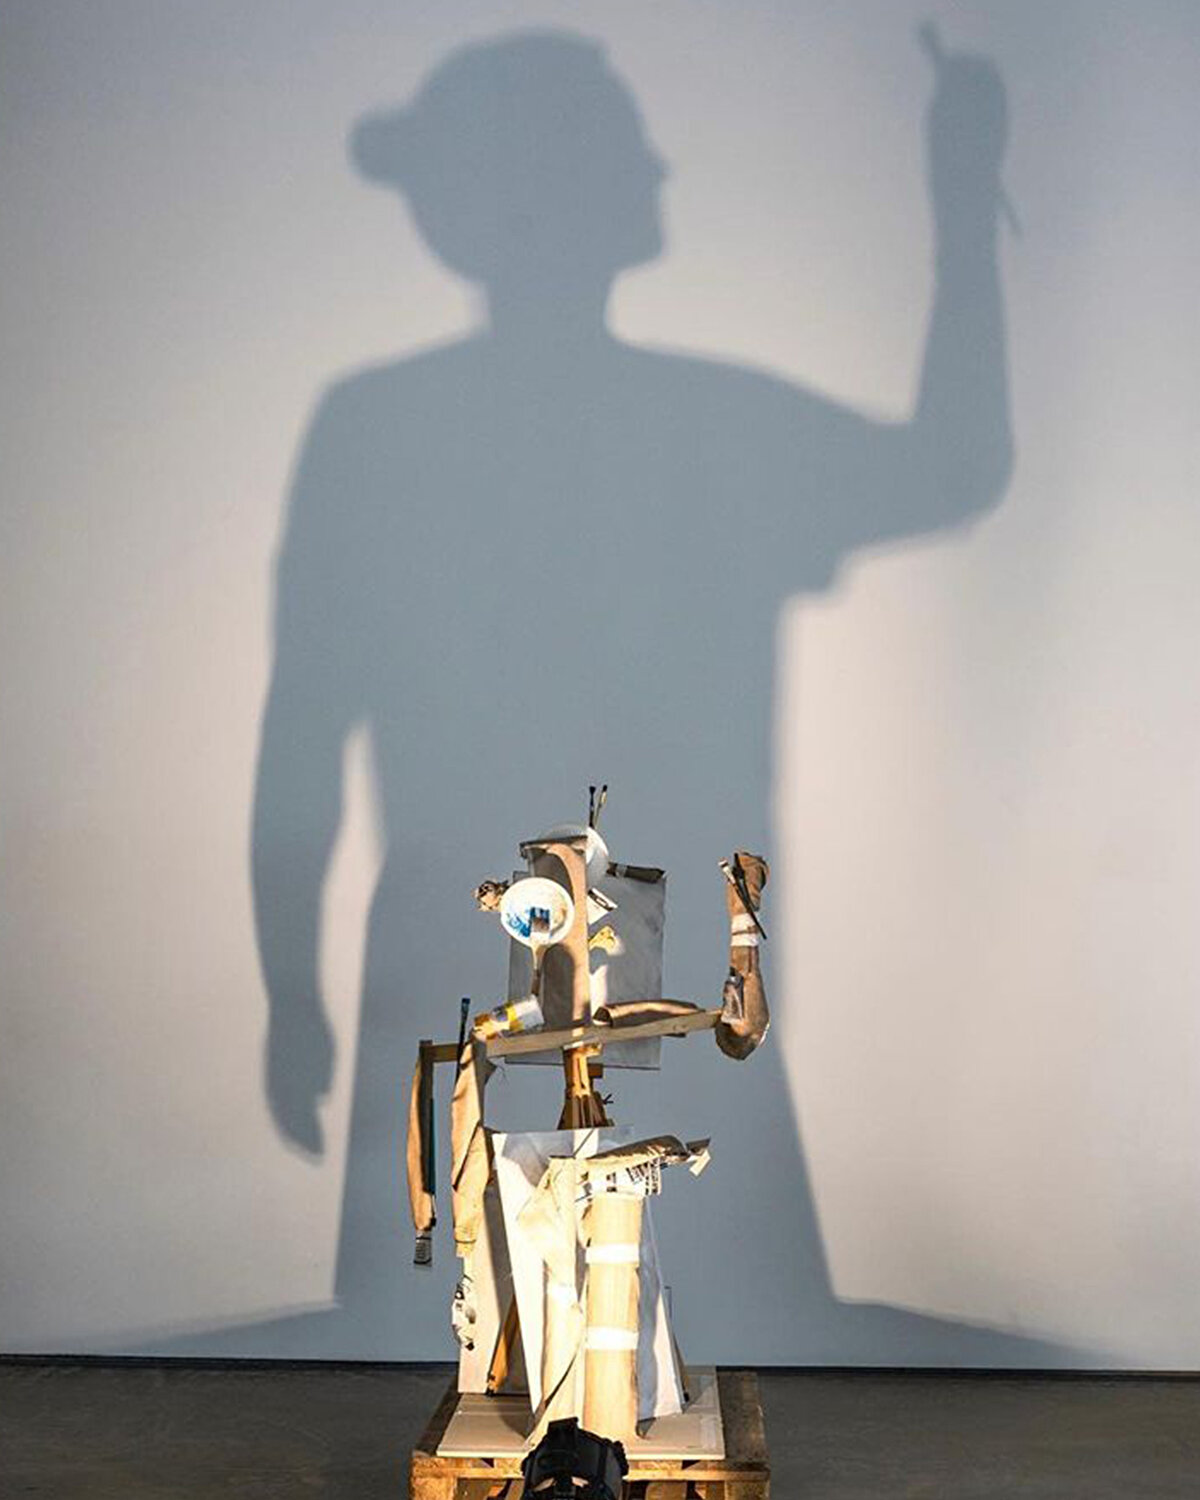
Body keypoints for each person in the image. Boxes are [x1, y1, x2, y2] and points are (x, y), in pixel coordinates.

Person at [252, 28, 1013, 1356]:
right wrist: (960, 211)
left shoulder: (386, 422)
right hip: (576, 918)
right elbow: (954, 464)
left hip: (556, 917)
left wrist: (288, 988)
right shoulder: (700, 422)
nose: (659, 167)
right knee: (536, 1297)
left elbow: (301, 728)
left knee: (534, 1301)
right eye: (625, 149)